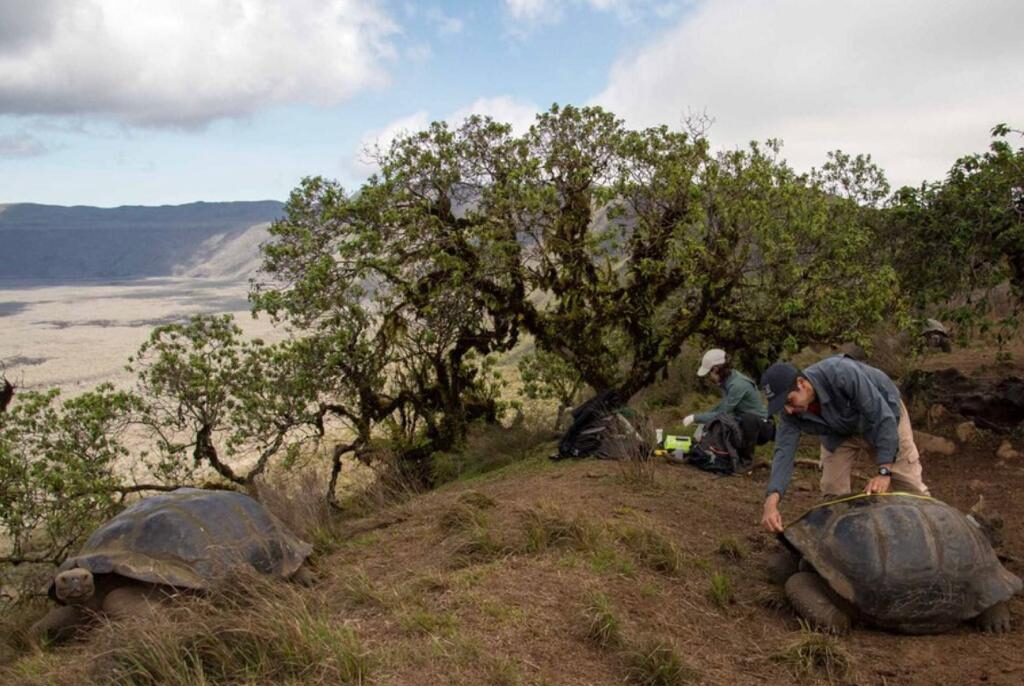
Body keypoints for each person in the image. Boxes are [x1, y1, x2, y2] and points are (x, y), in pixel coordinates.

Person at [758, 356, 929, 533]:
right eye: (782, 406)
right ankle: (846, 543)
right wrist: (771, 502)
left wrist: (884, 471)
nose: (788, 410)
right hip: (838, 432)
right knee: (832, 495)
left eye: (789, 401)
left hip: (883, 417)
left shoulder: (841, 373)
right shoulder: (791, 414)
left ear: (802, 383)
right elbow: (783, 453)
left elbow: (882, 417)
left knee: (910, 487)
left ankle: (929, 531)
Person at [684, 348, 774, 468]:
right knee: (725, 422)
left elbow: (722, 413)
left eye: (709, 373)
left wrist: (695, 418)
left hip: (762, 427)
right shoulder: (727, 381)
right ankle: (726, 456)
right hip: (744, 422)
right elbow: (721, 406)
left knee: (743, 419)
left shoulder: (737, 385)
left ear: (716, 369)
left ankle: (745, 463)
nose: (709, 378)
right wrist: (703, 423)